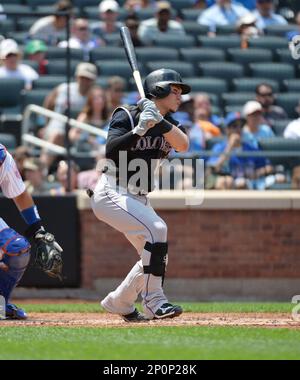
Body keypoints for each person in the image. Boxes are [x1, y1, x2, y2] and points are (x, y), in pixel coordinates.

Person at [89, 69, 190, 321]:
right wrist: (139, 130)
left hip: (139, 196)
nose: (180, 96)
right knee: (158, 229)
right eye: (174, 90)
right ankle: (154, 301)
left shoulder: (171, 125)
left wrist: (159, 121)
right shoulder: (127, 115)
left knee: (154, 254)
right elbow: (111, 150)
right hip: (112, 190)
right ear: (158, 90)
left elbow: (183, 145)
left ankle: (119, 301)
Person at [0, 144, 63, 319]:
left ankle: (0, 305)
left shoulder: (2, 156)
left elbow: (19, 194)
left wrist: (38, 231)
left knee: (16, 248)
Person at [41, 62, 97, 168]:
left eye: (88, 79)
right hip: (57, 125)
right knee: (57, 134)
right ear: (77, 77)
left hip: (80, 130)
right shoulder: (64, 88)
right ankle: (42, 170)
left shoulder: (94, 96)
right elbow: (48, 104)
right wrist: (45, 124)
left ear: (93, 80)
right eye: (82, 77)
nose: (85, 81)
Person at [206, 112, 274, 190]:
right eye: (234, 126)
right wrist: (229, 148)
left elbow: (268, 167)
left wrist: (256, 173)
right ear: (227, 129)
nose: (238, 129)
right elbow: (214, 169)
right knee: (226, 182)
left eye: (241, 126)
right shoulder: (219, 147)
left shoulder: (250, 148)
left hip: (249, 185)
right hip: (229, 186)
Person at [69, 86, 109, 150]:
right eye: (96, 98)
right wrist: (87, 138)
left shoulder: (109, 118)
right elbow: (72, 135)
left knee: (123, 150)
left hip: (103, 150)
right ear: (90, 100)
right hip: (86, 151)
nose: (100, 100)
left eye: (102, 97)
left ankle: (123, 160)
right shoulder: (84, 117)